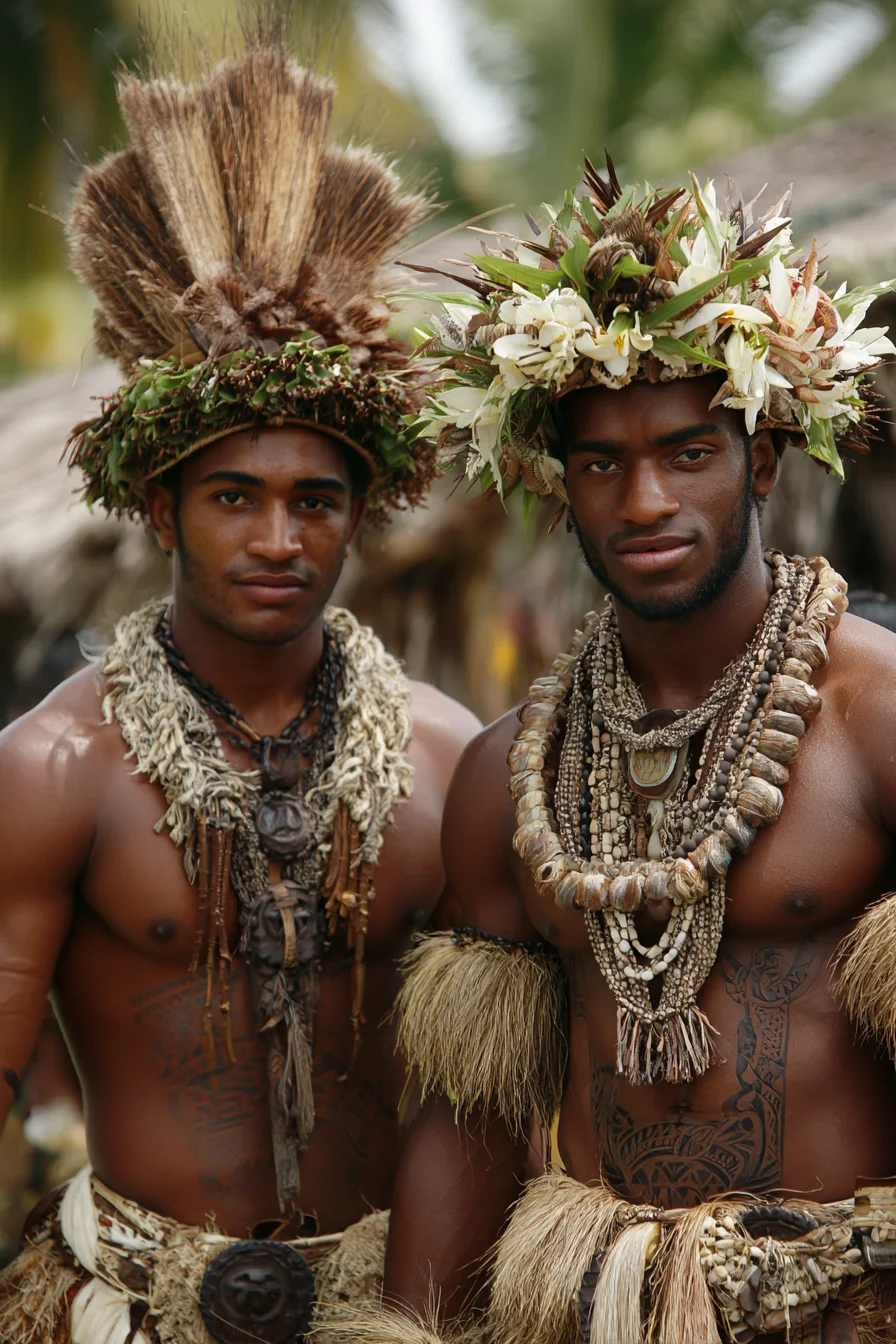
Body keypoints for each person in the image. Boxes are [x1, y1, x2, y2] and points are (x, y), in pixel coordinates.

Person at [351, 162, 896, 1344]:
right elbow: (468, 1110)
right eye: (599, 463)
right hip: (590, 1306)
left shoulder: (873, 713)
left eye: (685, 451)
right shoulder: (510, 771)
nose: (643, 497)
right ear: (558, 488)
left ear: (759, 461)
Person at [0, 20, 479, 1344]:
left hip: (391, 1306)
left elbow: (493, 1097)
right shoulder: (54, 768)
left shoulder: (450, 763)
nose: (278, 539)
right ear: (158, 508)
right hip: (130, 1309)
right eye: (234, 497)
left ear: (360, 513)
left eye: (315, 500)